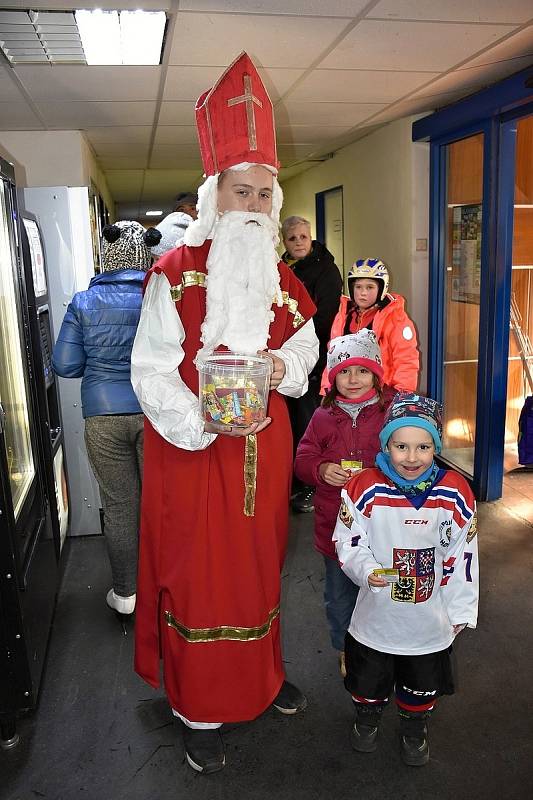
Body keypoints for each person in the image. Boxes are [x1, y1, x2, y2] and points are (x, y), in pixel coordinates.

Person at [130, 52, 319, 774]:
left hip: (263, 456)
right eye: (241, 194)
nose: (254, 209)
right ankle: (199, 708)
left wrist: (283, 368)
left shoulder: (283, 284)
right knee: (200, 577)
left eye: (264, 197)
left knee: (260, 569)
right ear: (215, 198)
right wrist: (203, 421)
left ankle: (259, 679)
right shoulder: (174, 278)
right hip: (193, 456)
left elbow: (306, 351)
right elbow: (148, 371)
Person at [333, 392, 478, 766]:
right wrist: (365, 570)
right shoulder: (363, 487)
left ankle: (415, 724)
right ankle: (367, 716)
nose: (411, 457)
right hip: (376, 615)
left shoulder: (455, 492)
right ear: (386, 444)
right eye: (401, 446)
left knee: (421, 680)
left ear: (436, 446)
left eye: (423, 446)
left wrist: (461, 608)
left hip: (429, 618)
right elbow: (348, 540)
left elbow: (464, 554)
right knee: (368, 678)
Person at [51, 221, 162, 616]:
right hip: (155, 414)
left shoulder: (83, 302)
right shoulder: (158, 295)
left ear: (108, 252)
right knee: (159, 502)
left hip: (102, 415)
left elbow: (64, 365)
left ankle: (126, 594)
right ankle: (164, 588)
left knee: (119, 506)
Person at [294, 330, 395, 676]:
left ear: (377, 374)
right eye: (344, 371)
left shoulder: (391, 411)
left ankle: (383, 646)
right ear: (332, 376)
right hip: (335, 531)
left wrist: (386, 472)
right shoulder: (322, 416)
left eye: (362, 371)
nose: (353, 380)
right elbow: (303, 457)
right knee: (339, 597)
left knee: (382, 589)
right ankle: (345, 648)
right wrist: (320, 469)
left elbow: (410, 453)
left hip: (384, 527)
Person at [281, 215, 343, 513]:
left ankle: (312, 485)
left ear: (311, 237)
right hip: (286, 358)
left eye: (303, 237)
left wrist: (296, 342)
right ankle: (295, 478)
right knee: (290, 421)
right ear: (285, 241)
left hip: (312, 358)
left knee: (309, 421)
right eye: (292, 238)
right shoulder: (283, 267)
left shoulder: (326, 270)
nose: (298, 243)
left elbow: (325, 316)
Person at [323, 257, 419, 393]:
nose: (363, 293)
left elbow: (406, 360)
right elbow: (332, 355)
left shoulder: (395, 318)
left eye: (370, 287)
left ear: (381, 289)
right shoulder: (343, 315)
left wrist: (402, 395)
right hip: (345, 392)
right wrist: (326, 389)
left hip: (381, 394)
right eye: (358, 287)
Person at [151, 193, 199, 259]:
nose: (187, 212)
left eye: (193, 208)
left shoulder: (211, 234)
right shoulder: (171, 235)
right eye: (181, 210)